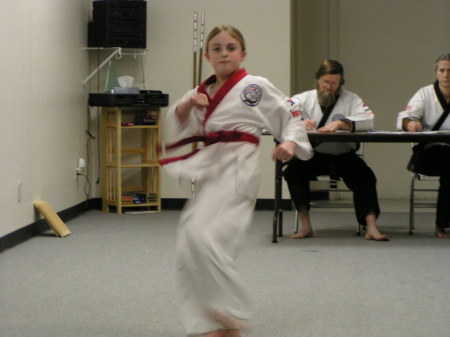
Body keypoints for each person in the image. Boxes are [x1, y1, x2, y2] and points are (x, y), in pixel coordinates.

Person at [159, 25, 313, 337]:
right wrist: (190, 104)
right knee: (189, 240)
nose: (224, 53)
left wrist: (290, 143)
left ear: (242, 54)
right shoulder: (200, 91)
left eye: (231, 47)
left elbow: (292, 112)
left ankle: (230, 312)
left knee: (205, 238)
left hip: (237, 168)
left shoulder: (254, 86)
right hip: (209, 169)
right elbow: (177, 120)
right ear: (207, 56)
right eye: (216, 48)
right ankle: (209, 326)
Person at [284, 59, 389, 241]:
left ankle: (371, 227)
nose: (329, 87)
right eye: (325, 82)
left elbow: (368, 120)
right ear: (318, 80)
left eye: (334, 83)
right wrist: (299, 123)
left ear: (341, 83)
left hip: (343, 156)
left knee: (365, 175)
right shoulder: (303, 99)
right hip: (313, 155)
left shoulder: (351, 99)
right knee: (292, 171)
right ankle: (306, 225)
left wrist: (342, 123)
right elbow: (282, 114)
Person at [396, 53, 450, 238]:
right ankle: (441, 226)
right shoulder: (425, 94)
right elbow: (406, 116)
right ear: (436, 72)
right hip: (429, 155)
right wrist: (410, 124)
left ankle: (442, 224)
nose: (446, 75)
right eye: (442, 70)